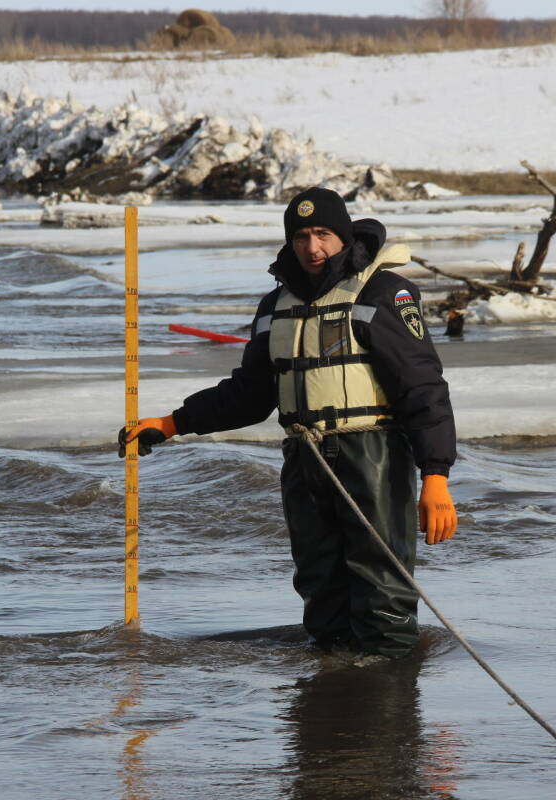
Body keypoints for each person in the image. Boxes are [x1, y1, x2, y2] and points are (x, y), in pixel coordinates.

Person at [119, 187, 457, 659]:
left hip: (372, 458)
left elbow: (423, 389)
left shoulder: (384, 293)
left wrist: (435, 477)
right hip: (304, 461)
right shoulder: (275, 306)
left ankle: (393, 712)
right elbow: (250, 394)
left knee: (383, 593)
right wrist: (172, 423)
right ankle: (332, 709)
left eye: (323, 234)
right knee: (320, 590)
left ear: (342, 236)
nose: (312, 247)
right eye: (301, 236)